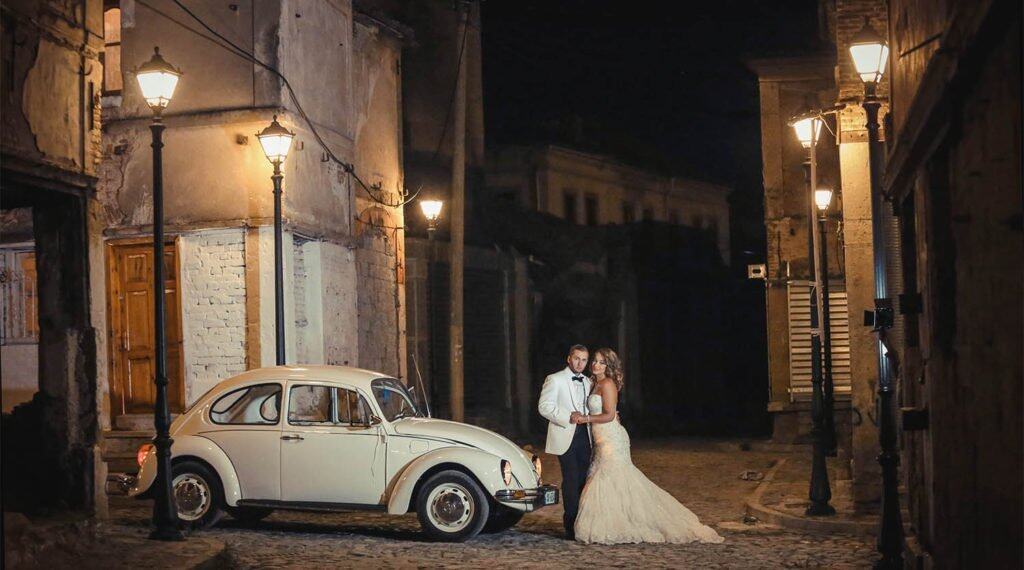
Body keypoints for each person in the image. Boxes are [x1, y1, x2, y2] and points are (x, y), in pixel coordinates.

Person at [572, 348, 725, 545]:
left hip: (611, 439)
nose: (596, 365)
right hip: (600, 439)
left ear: (609, 366)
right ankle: (619, 521)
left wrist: (585, 419)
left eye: (602, 362)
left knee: (611, 477)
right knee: (607, 478)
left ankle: (623, 523)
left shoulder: (608, 384)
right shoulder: (594, 383)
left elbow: (609, 415)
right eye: (595, 361)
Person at [537, 344, 593, 539]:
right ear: (569, 359)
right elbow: (544, 407)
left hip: (586, 436)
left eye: (584, 360)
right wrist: (567, 416)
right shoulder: (555, 379)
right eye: (576, 358)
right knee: (571, 479)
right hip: (564, 434)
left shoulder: (588, 381)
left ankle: (583, 522)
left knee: (584, 479)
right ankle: (570, 524)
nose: (580, 363)